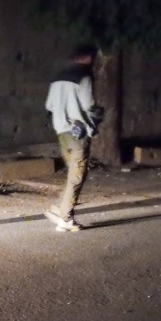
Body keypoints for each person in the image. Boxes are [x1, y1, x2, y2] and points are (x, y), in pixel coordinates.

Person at [44, 45, 104, 232]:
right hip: (78, 132)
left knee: (73, 173)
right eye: (93, 57)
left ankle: (61, 209)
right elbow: (89, 105)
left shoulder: (58, 77)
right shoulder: (84, 77)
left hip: (62, 131)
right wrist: (98, 115)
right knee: (77, 175)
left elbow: (50, 105)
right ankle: (66, 219)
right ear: (87, 57)